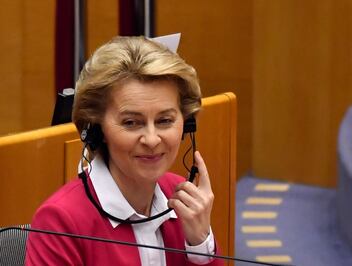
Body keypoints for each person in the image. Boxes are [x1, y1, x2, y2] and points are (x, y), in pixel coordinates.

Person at [25, 36, 223, 265]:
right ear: (97, 129)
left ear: (186, 123)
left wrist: (200, 244)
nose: (151, 139)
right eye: (131, 123)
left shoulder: (183, 202)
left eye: (165, 120)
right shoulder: (61, 222)